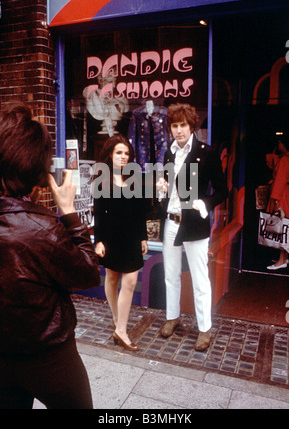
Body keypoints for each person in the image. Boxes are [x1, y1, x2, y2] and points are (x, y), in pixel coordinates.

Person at [0, 104, 100, 409]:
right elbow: (88, 274)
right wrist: (69, 212)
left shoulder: (40, 228)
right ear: (35, 169)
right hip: (50, 357)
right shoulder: (43, 230)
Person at [157, 103, 228, 351]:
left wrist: (205, 202)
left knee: (200, 280)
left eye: (183, 126)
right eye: (174, 126)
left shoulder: (207, 153)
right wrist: (162, 189)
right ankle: (172, 317)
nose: (178, 131)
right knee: (170, 275)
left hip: (195, 225)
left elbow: (222, 191)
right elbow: (169, 187)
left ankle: (204, 329)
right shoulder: (168, 154)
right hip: (171, 222)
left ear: (191, 126)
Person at [94, 134, 148, 351]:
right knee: (112, 277)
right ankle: (117, 320)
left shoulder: (134, 179)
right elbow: (98, 214)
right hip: (111, 238)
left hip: (132, 238)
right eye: (119, 152)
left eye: (126, 153)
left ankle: (121, 331)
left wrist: (144, 236)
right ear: (110, 154)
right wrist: (98, 241)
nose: (123, 157)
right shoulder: (102, 180)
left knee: (130, 282)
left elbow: (140, 211)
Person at [266, 134, 289, 270]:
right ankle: (285, 257)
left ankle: (281, 260)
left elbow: (279, 182)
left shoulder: (285, 160)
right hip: (285, 194)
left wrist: (276, 202)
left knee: (282, 228)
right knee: (286, 227)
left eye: (280, 142)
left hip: (283, 196)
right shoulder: (284, 158)